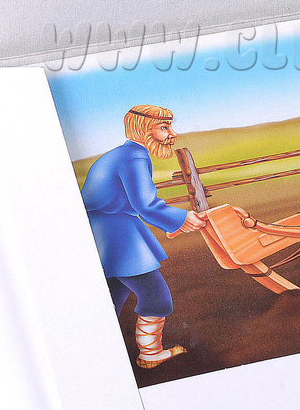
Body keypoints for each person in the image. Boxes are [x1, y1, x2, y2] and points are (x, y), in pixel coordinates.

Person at [80, 104, 206, 368]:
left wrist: (174, 224)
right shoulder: (134, 158)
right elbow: (145, 204)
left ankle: (92, 359)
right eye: (164, 127)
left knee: (110, 300)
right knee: (156, 297)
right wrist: (183, 219)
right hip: (117, 234)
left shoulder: (121, 155)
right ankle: (149, 354)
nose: (172, 133)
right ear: (143, 129)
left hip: (103, 232)